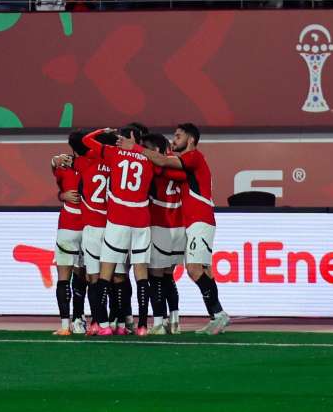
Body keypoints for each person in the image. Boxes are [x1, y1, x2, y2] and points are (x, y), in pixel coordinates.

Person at [117, 123, 230, 335]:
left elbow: (161, 161)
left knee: (194, 269)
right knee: (205, 271)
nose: (174, 139)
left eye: (178, 136)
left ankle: (219, 313)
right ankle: (216, 316)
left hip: (199, 220)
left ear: (191, 140)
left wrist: (134, 148)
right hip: (195, 222)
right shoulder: (186, 165)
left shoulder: (194, 157)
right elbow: (164, 169)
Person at [82, 127, 157, 336]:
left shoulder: (113, 152)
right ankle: (142, 326)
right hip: (141, 220)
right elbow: (164, 161)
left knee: (105, 274)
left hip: (118, 219)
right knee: (141, 276)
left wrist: (102, 130)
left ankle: (102, 325)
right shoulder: (149, 157)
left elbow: (86, 141)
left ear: (127, 137)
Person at [141, 133, 185, 335]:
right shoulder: (179, 165)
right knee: (168, 276)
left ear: (156, 150)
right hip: (179, 226)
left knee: (156, 277)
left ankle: (158, 323)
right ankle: (174, 321)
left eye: (146, 148)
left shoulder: (154, 167)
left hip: (160, 224)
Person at [50, 131, 88, 335]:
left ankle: (65, 326)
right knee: (81, 276)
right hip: (88, 227)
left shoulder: (64, 165)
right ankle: (79, 321)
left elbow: (55, 169)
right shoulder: (94, 166)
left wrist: (62, 195)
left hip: (68, 226)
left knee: (64, 277)